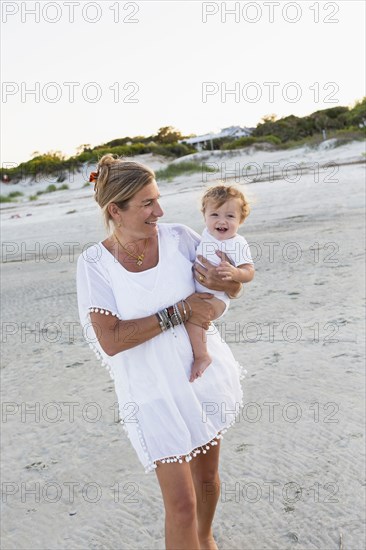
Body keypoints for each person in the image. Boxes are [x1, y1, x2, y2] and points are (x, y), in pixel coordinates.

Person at [76, 154, 246, 550]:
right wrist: (181, 310)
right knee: (182, 504)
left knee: (207, 482)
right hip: (151, 393)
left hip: (200, 375)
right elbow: (113, 340)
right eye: (147, 203)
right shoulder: (95, 264)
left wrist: (231, 280)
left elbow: (227, 291)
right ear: (115, 210)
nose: (160, 210)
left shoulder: (181, 238)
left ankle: (206, 540)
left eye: (158, 198)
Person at [188, 185, 255, 382]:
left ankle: (202, 356)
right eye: (214, 214)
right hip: (200, 292)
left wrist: (235, 273)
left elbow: (249, 271)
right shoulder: (206, 234)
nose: (221, 221)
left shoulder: (238, 243)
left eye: (230, 216)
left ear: (241, 220)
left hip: (217, 299)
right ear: (205, 216)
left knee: (194, 319)